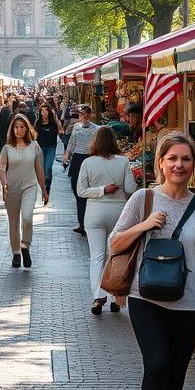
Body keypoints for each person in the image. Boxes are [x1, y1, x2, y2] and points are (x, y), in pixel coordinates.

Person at [109, 131, 195, 390]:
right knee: (158, 364)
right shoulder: (143, 199)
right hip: (145, 296)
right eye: (172, 158)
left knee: (175, 371)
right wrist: (144, 225)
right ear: (160, 162)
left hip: (190, 303)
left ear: (194, 164)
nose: (178, 165)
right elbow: (114, 243)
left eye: (185, 159)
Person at [78, 127, 138, 314]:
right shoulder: (123, 161)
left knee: (96, 256)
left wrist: (101, 190)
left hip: (95, 211)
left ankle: (98, 296)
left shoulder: (87, 162)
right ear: (114, 141)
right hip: (118, 211)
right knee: (115, 254)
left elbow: (81, 191)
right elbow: (130, 188)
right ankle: (114, 296)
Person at [0, 114, 48, 269]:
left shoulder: (34, 146)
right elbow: (1, 168)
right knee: (13, 222)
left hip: (29, 187)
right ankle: (16, 253)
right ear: (12, 129)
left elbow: (39, 169)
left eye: (22, 127)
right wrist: (4, 182)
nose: (19, 130)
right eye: (16, 127)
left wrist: (44, 189)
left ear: (27, 129)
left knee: (27, 218)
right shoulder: (7, 148)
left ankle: (25, 246)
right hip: (11, 189)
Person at [62, 104, 100, 234]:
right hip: (77, 159)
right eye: (81, 114)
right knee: (76, 188)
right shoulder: (76, 127)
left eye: (86, 114)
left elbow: (98, 145)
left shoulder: (96, 129)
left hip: (90, 158)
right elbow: (72, 142)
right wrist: (67, 155)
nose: (83, 116)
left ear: (90, 115)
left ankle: (88, 222)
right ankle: (81, 223)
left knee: (87, 190)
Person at [33, 104, 62, 194]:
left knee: (48, 166)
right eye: (42, 110)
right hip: (40, 148)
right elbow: (34, 136)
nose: (44, 112)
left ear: (49, 111)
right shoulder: (38, 123)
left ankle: (47, 185)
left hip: (51, 147)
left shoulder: (53, 123)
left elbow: (60, 131)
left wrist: (61, 131)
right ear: (40, 112)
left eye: (46, 110)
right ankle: (44, 188)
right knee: (42, 169)